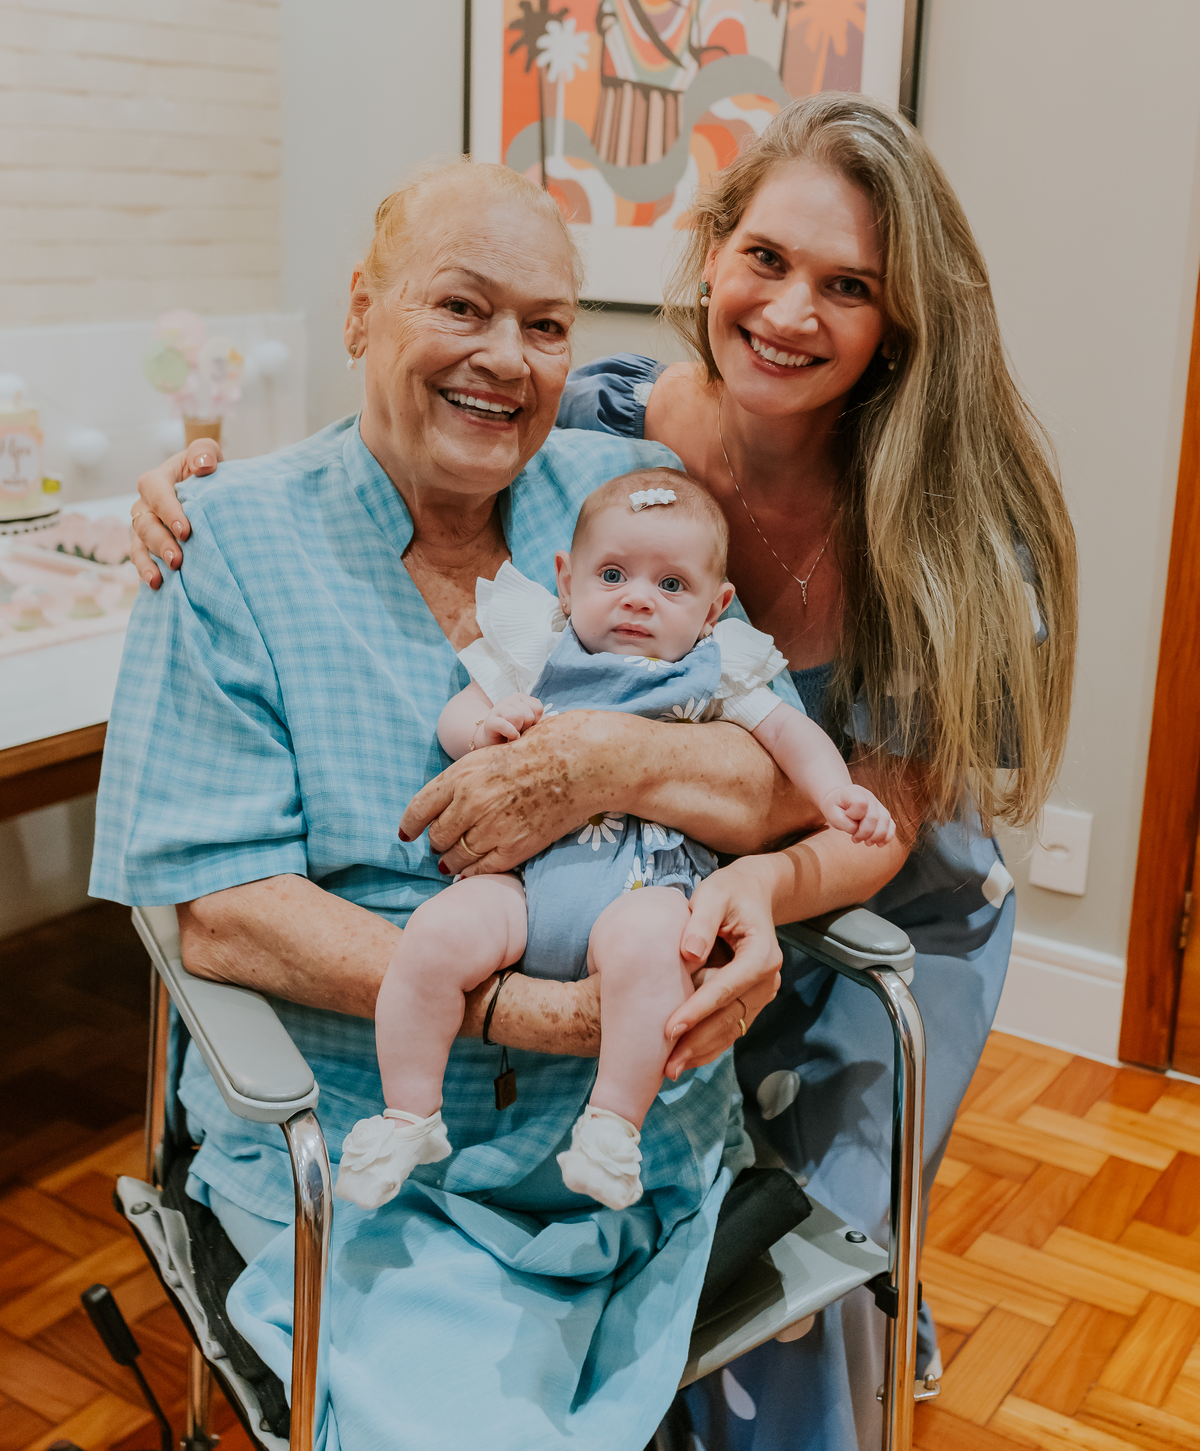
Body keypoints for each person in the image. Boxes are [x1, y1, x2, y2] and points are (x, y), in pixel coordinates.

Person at [130, 95, 1077, 1451]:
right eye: (768, 258)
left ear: (898, 326)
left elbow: (863, 802)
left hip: (872, 876)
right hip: (633, 913)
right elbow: (414, 409)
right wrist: (197, 496)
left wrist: (650, 796)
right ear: (710, 254)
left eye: (850, 285)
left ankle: (872, 1311)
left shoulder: (941, 535)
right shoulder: (608, 434)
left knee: (811, 1309)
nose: (793, 311)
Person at [99, 161, 824, 1451]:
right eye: (462, 307)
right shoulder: (230, 543)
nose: (509, 357)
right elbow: (216, 910)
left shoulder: (625, 499)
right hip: (373, 1159)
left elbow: (770, 771)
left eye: (547, 324)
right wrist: (528, 1013)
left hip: (638, 1132)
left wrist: (602, 763)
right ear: (362, 312)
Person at [336, 467, 894, 1216]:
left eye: (672, 586)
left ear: (714, 607)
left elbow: (792, 735)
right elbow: (462, 709)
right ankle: (408, 1115)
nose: (637, 597)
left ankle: (611, 1127)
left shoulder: (718, 666)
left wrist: (836, 794)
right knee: (433, 937)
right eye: (611, 574)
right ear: (566, 582)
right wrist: (482, 730)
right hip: (523, 890)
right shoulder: (538, 647)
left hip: (640, 889)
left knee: (659, 946)